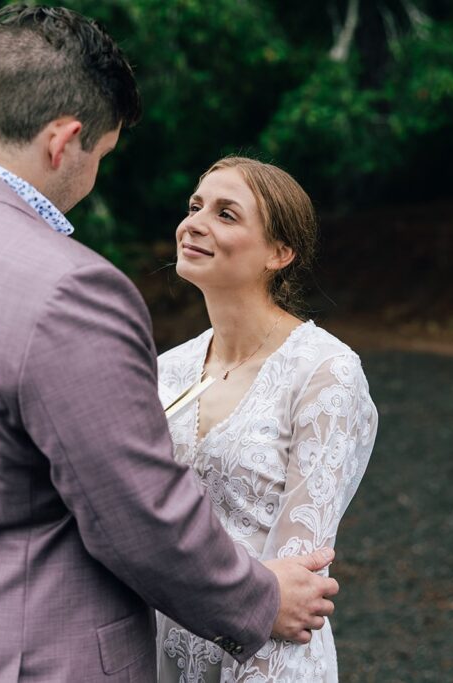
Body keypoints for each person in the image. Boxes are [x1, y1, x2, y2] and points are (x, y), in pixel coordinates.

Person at [0, 6, 339, 682]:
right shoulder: (70, 288)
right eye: (101, 155)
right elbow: (138, 515)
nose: (90, 182)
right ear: (64, 141)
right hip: (32, 663)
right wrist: (260, 597)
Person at [155, 157, 378, 681]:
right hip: (158, 645)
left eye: (226, 214)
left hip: (262, 654)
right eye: (195, 206)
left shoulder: (325, 371)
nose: (196, 223)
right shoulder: (165, 370)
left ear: (279, 253)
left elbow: (299, 570)